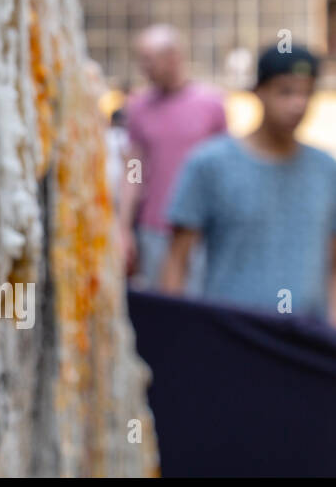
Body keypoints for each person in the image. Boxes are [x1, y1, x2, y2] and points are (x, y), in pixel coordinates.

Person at [161, 44, 336, 326]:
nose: (298, 104)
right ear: (259, 91)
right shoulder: (210, 163)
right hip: (232, 336)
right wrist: (174, 333)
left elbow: (332, 262)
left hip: (306, 339)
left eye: (307, 92)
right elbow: (177, 258)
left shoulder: (326, 168)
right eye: (286, 91)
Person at [119, 25, 227, 290]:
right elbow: (134, 169)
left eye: (148, 60)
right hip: (155, 230)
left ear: (173, 57)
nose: (143, 68)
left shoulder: (211, 104)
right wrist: (122, 227)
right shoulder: (138, 109)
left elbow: (224, 169)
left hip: (203, 231)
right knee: (167, 310)